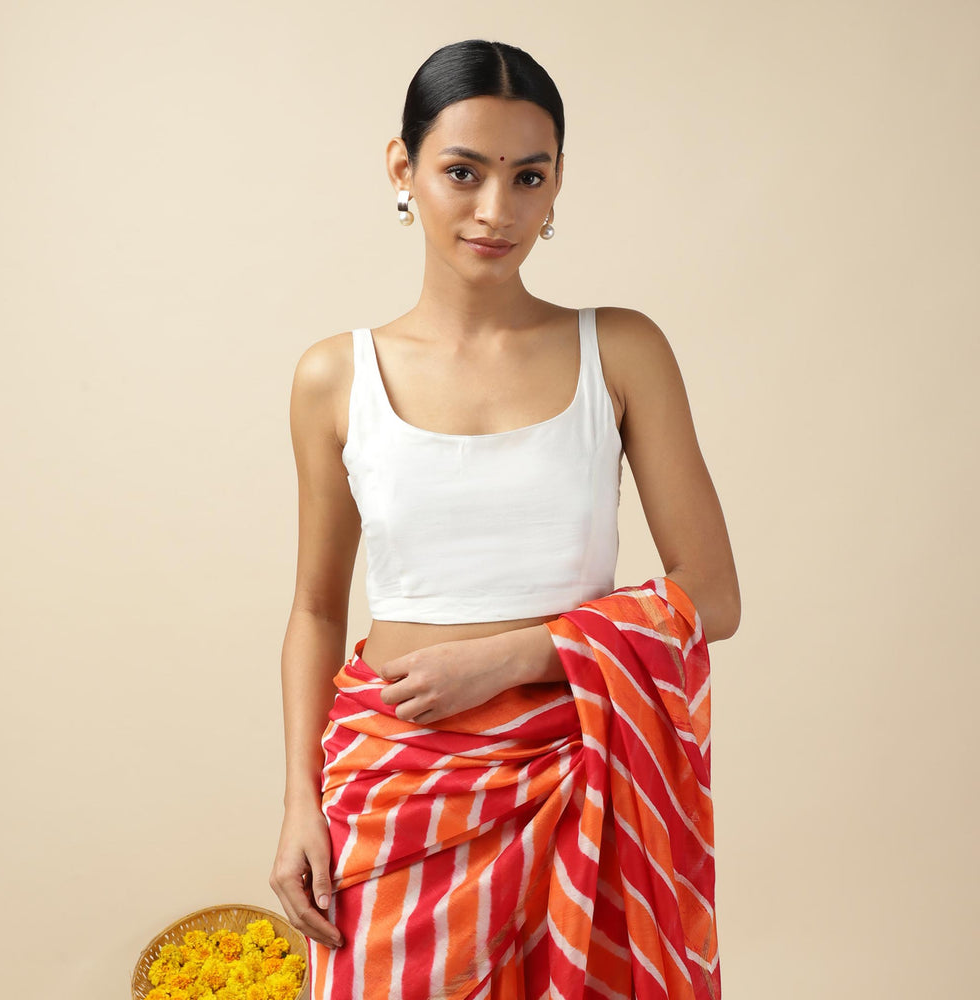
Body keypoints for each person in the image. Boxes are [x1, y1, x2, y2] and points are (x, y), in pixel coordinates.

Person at [269, 38, 740, 1000]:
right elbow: (316, 609)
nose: (497, 210)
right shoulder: (335, 377)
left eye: (529, 176)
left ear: (558, 183)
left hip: (579, 769)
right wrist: (298, 805)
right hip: (393, 784)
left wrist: (510, 659)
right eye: (463, 172)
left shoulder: (621, 350)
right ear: (402, 169)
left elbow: (713, 596)